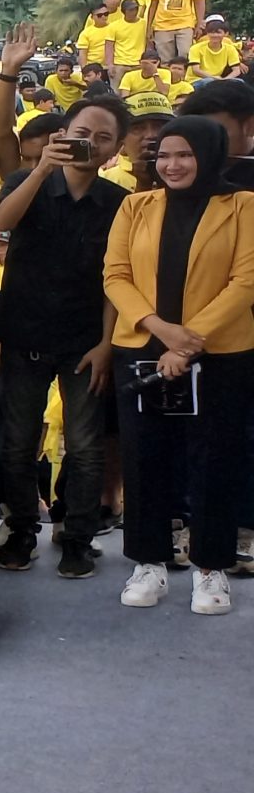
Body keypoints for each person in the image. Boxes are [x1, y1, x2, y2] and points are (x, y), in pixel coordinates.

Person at [102, 116, 254, 615]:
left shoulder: (242, 206)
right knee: (145, 458)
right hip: (144, 349)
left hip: (220, 354)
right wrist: (162, 331)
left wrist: (187, 343)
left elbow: (245, 282)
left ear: (208, 155)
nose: (172, 165)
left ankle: (211, 570)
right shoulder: (135, 206)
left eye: (184, 155)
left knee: (215, 460)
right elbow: (116, 275)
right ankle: (149, 563)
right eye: (164, 155)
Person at [0, 93, 129, 574]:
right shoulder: (27, 180)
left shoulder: (119, 203)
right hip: (24, 334)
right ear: (64, 134)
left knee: (85, 444)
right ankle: (22, 527)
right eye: (82, 133)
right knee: (16, 442)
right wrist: (43, 169)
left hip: (85, 340)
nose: (91, 144)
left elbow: (117, 281)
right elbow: (1, 222)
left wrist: (108, 344)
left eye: (103, 138)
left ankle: (77, 534)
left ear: (116, 150)